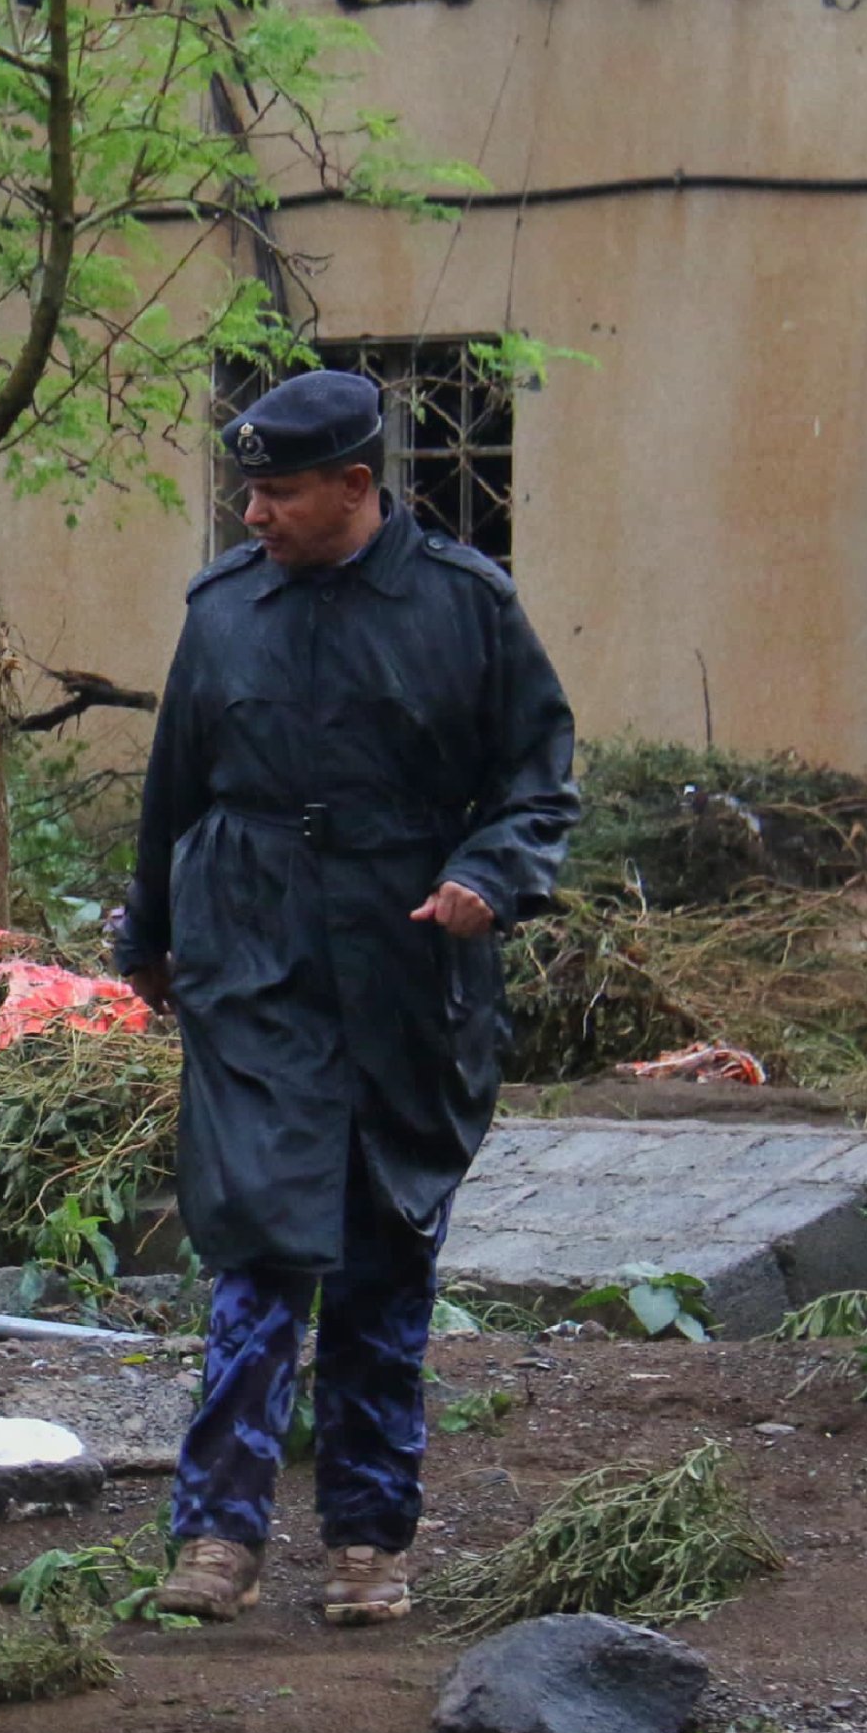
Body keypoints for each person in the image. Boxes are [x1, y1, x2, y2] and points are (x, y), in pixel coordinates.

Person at [117, 369, 578, 1628]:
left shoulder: (463, 608)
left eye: (276, 491)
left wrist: (488, 877)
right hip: (252, 956)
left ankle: (370, 1543)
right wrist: (147, 936)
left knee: (383, 1252)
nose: (253, 514)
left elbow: (537, 783)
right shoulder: (223, 610)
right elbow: (174, 785)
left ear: (355, 486)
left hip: (404, 962)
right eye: (248, 490)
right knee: (261, 1242)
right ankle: (215, 1535)